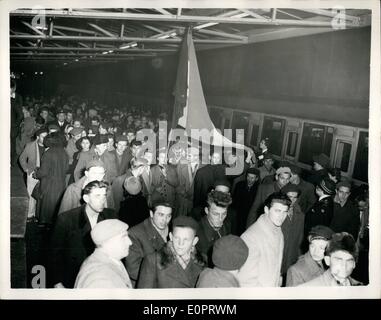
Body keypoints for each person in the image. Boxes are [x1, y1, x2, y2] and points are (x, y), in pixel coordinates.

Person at [49, 180, 117, 288]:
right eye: (97, 196)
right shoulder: (66, 219)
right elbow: (54, 254)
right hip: (73, 278)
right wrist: (57, 282)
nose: (102, 201)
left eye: (104, 196)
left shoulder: (111, 216)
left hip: (101, 278)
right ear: (86, 198)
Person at [237, 192, 291, 287]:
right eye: (277, 211)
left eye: (285, 212)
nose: (281, 216)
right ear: (266, 209)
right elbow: (246, 280)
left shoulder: (278, 230)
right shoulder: (250, 238)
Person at [137, 216, 205, 288]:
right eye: (177, 238)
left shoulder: (203, 261)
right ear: (171, 237)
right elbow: (144, 296)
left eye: (186, 240)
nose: (180, 244)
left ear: (195, 241)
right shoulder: (153, 261)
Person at [125, 201, 172, 287]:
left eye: (168, 216)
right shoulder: (135, 234)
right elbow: (133, 270)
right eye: (161, 215)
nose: (165, 220)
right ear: (151, 214)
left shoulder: (172, 230)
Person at [75, 219, 133, 288]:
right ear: (107, 242)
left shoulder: (112, 260)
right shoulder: (99, 279)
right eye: (124, 237)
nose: (130, 242)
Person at [34, 131, 69, 226]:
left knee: (46, 205)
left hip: (48, 184)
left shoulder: (48, 153)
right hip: (61, 183)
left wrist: (36, 174)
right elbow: (66, 169)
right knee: (56, 204)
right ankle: (53, 224)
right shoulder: (64, 152)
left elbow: (43, 172)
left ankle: (43, 223)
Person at [196, 190, 233, 266]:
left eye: (224, 214)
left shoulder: (227, 225)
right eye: (215, 214)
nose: (220, 219)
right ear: (207, 210)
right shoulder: (196, 233)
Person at [18, 128, 48, 220]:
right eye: (43, 137)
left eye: (47, 137)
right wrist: (26, 169)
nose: (46, 139)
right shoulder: (30, 145)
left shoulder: (50, 147)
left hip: (45, 175)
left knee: (43, 196)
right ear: (38, 137)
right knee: (31, 194)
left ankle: (38, 215)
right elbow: (21, 158)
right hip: (32, 173)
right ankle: (30, 214)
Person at [280, 184, 305, 279]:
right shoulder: (276, 213)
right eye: (289, 197)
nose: (292, 200)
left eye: (295, 197)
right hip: (277, 254)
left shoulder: (300, 215)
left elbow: (300, 239)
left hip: (291, 256)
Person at [304, 177, 336, 245]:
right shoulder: (327, 201)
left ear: (320, 189)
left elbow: (316, 225)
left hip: (313, 237)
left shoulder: (322, 206)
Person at [232, 167, 260, 235]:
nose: (249, 179)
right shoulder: (239, 185)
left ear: (257, 179)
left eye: (252, 178)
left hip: (250, 215)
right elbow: (234, 201)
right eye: (248, 176)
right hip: (239, 214)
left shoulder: (259, 189)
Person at [176, 146, 200, 217]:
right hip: (183, 200)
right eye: (186, 155)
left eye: (189, 156)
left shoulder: (203, 167)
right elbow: (177, 182)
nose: (186, 157)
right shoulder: (181, 164)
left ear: (196, 157)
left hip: (196, 201)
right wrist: (181, 191)